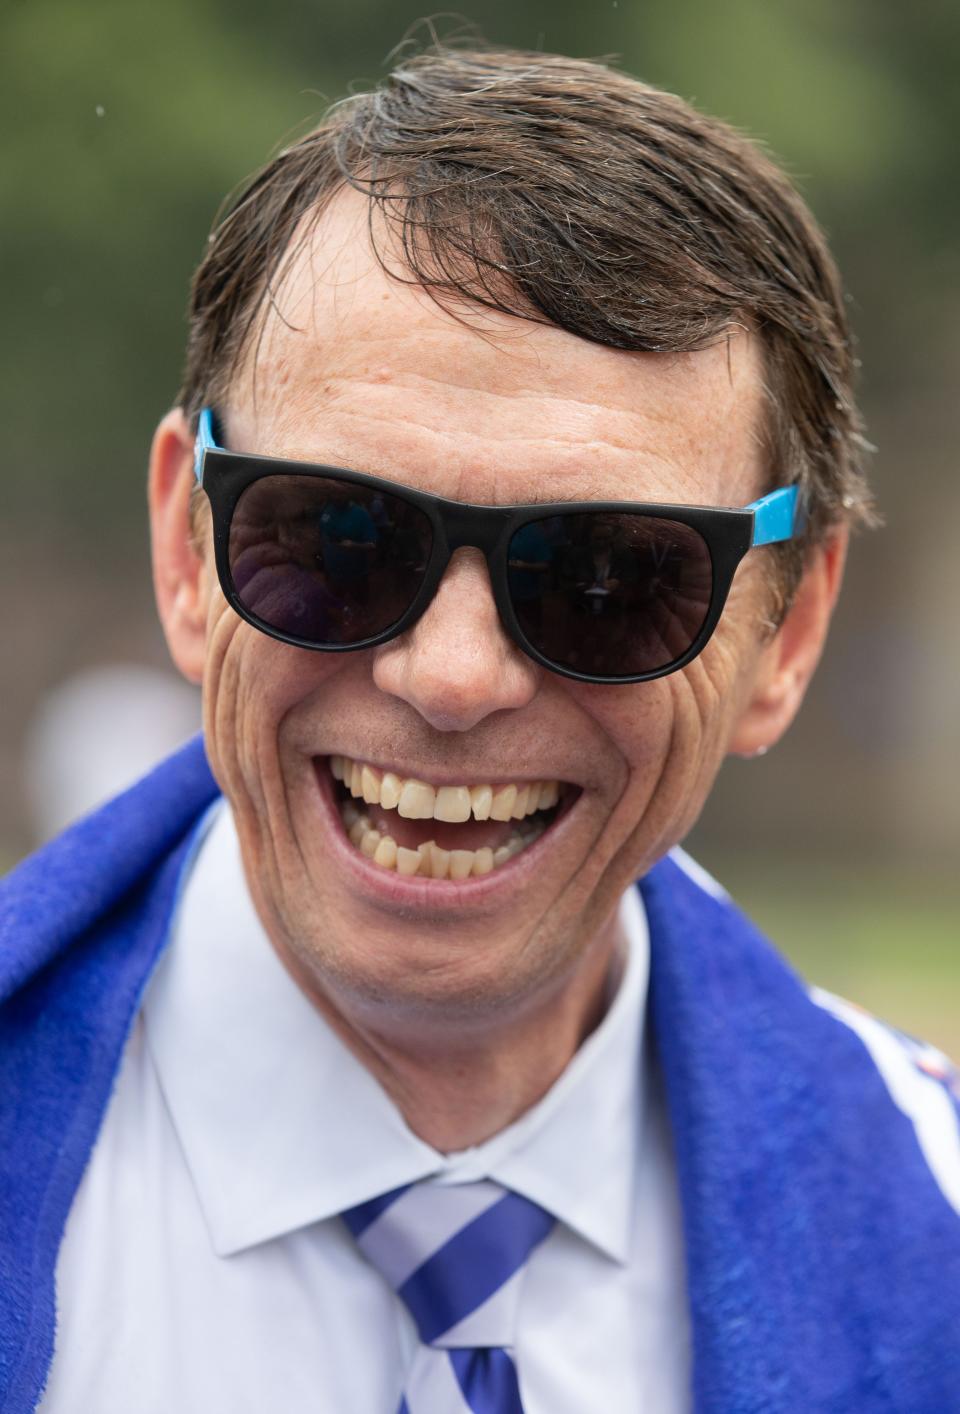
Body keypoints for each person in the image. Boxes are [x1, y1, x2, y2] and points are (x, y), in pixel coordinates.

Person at [2, 41, 958, 1414]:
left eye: (608, 577)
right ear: (184, 549)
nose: (451, 677)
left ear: (785, 634)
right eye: (338, 536)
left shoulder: (936, 1233)